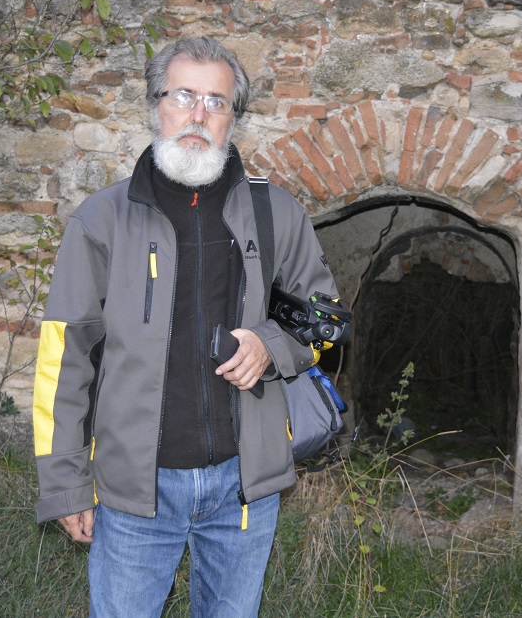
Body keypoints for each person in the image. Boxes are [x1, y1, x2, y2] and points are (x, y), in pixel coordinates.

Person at [32, 37, 342, 617]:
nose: (198, 114)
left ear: (234, 117)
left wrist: (270, 345)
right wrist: (67, 483)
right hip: (133, 490)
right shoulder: (101, 220)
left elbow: (325, 317)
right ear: (156, 106)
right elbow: (63, 363)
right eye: (183, 96)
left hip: (244, 487)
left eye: (216, 102)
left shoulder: (276, 213)